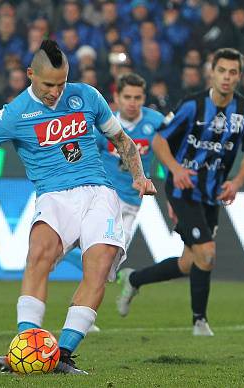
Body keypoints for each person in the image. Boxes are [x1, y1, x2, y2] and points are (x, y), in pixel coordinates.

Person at [0, 40, 155, 374]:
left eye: (61, 83)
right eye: (48, 84)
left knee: (99, 267)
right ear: (30, 74)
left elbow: (122, 141)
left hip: (99, 192)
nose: (55, 92)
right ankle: (25, 347)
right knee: (38, 256)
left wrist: (139, 176)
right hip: (53, 196)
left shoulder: (88, 96)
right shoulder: (13, 114)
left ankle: (62, 356)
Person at [116, 48, 244, 337]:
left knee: (189, 262)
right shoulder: (193, 106)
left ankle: (135, 279)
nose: (227, 77)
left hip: (211, 194)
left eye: (233, 72)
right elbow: (159, 141)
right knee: (207, 253)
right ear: (212, 72)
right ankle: (199, 322)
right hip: (183, 190)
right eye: (222, 71)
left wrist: (237, 181)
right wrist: (176, 170)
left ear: (239, 76)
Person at [66, 72, 168, 333]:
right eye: (127, 97)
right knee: (100, 264)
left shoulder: (156, 123)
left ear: (144, 98)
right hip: (104, 198)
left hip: (132, 204)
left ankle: (74, 257)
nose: (132, 102)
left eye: (138, 97)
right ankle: (83, 318)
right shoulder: (105, 124)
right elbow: (84, 151)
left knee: (109, 267)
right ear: (117, 98)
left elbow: (171, 151)